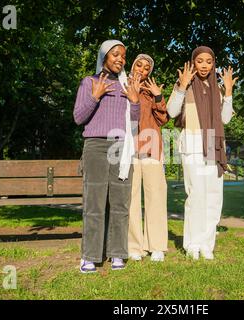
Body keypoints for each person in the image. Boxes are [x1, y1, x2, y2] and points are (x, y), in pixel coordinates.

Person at [73, 40, 141, 273]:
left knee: (121, 203)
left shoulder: (127, 85)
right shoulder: (89, 82)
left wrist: (134, 102)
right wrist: (95, 96)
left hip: (122, 148)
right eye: (115, 55)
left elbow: (134, 125)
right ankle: (90, 256)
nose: (120, 59)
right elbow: (78, 118)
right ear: (104, 56)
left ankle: (117, 254)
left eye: (123, 55)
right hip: (95, 146)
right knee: (95, 203)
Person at [166, 46, 237, 260]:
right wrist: (182, 86)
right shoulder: (184, 85)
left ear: (213, 63)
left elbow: (224, 119)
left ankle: (207, 244)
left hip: (213, 144)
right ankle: (192, 244)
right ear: (193, 62)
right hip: (193, 143)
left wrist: (228, 92)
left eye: (208, 61)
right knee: (196, 195)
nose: (204, 65)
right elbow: (171, 112)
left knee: (213, 196)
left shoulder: (217, 88)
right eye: (200, 61)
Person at [127, 54, 169, 262]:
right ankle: (134, 247)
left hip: (152, 148)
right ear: (132, 66)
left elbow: (163, 119)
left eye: (146, 68)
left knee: (156, 197)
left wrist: (159, 96)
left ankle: (157, 246)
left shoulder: (151, 92)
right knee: (131, 198)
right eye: (139, 65)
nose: (142, 70)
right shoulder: (121, 87)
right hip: (128, 149)